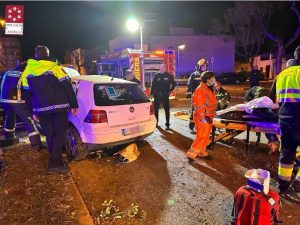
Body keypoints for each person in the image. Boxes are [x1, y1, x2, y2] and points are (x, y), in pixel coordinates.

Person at [21, 45, 79, 175]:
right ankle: (54, 163)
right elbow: (67, 87)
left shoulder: (27, 72)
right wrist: (74, 104)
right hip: (59, 107)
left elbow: (26, 95)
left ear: (36, 56)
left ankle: (55, 159)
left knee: (50, 134)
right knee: (59, 133)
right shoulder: (55, 68)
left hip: (41, 109)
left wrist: (33, 112)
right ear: (47, 54)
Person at [270, 45, 300, 203]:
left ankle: (283, 187)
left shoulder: (282, 75)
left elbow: (272, 101)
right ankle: (298, 187)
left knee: (287, 154)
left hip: (286, 120)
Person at [0, 60, 45, 150]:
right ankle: (37, 144)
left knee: (10, 118)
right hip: (17, 101)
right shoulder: (23, 74)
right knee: (29, 121)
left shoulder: (8, 72)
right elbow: (27, 90)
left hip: (4, 100)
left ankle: (9, 137)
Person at [187, 71, 217, 164]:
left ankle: (202, 152)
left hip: (208, 116)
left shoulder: (209, 88)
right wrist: (202, 118)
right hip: (203, 117)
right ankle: (191, 155)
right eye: (213, 78)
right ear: (208, 80)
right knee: (201, 136)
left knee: (206, 136)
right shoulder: (200, 90)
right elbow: (199, 106)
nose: (214, 80)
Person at [244, 86, 280, 153]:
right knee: (268, 121)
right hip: (265, 115)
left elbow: (247, 104)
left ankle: (272, 141)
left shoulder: (253, 96)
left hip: (260, 111)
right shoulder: (263, 96)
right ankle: (273, 141)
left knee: (266, 121)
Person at [150, 64, 175, 130]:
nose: (161, 69)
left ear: (165, 69)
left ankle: (167, 124)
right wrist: (151, 93)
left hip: (165, 95)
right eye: (160, 68)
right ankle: (156, 123)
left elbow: (174, 83)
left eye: (163, 68)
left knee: (167, 110)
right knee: (156, 110)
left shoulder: (169, 76)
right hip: (157, 95)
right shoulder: (156, 75)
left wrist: (170, 90)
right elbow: (153, 84)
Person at [186, 58, 208, 133]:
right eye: (202, 65)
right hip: (196, 97)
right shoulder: (194, 74)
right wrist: (189, 94)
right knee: (195, 111)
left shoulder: (208, 74)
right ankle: (192, 127)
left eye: (205, 65)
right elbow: (189, 84)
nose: (204, 67)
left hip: (205, 97)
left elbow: (212, 85)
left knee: (205, 112)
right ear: (199, 66)